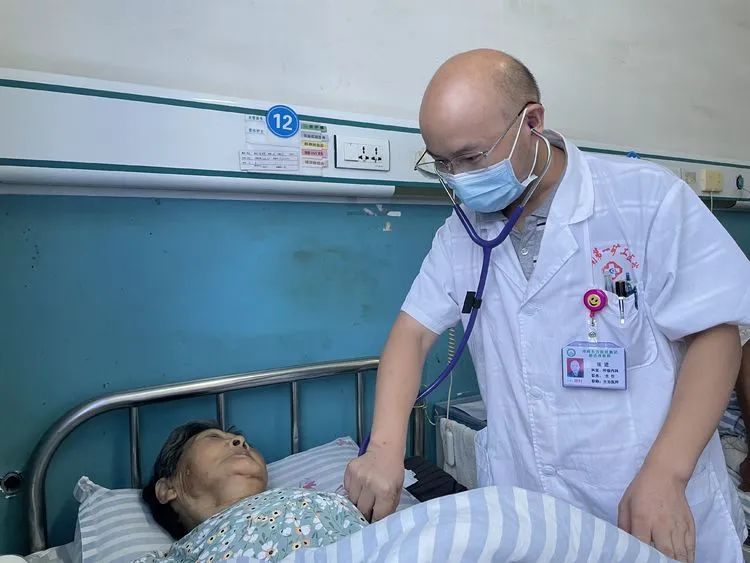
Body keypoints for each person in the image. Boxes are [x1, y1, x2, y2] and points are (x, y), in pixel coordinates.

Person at [344, 48, 750, 562]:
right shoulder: (460, 234)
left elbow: (716, 335)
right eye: (442, 164)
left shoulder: (646, 198)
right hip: (531, 509)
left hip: (648, 495)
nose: (459, 178)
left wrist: (668, 472)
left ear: (532, 121)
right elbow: (413, 332)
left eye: (471, 158)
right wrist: (385, 447)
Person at [137, 421, 367, 562]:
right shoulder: (183, 554)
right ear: (168, 488)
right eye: (214, 437)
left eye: (243, 441)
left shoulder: (328, 497)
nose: (240, 440)